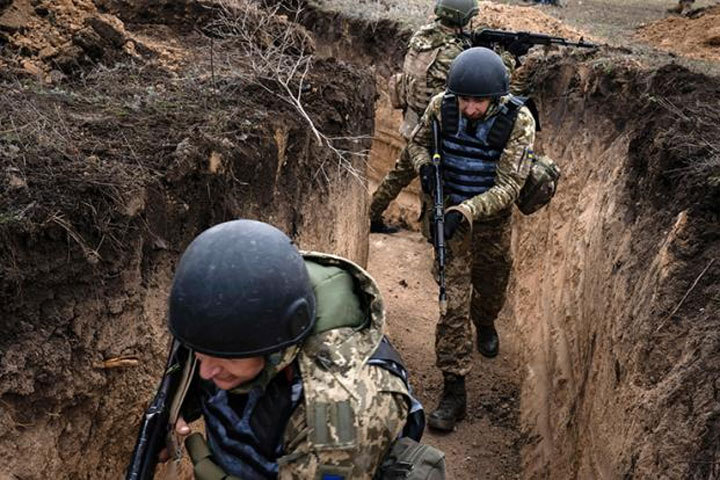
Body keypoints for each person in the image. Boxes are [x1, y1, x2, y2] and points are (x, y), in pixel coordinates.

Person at [161, 219, 429, 479]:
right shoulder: (237, 312)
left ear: (277, 343)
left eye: (226, 358)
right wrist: (177, 408)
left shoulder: (342, 412)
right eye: (199, 353)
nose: (205, 371)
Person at [407, 47, 536, 431]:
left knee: (492, 289)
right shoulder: (440, 107)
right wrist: (424, 169)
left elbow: (511, 185)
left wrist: (465, 212)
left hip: (491, 224)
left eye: (478, 101)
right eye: (464, 99)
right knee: (452, 303)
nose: (469, 109)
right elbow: (416, 144)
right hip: (450, 223)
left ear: (495, 98)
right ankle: (454, 390)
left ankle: (487, 321)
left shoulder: (519, 121)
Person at [369, 0, 479, 234]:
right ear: (462, 18)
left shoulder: (424, 36)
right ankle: (432, 234)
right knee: (434, 182)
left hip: (412, 120)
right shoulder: (456, 52)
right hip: (435, 129)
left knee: (398, 175)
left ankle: (371, 215)